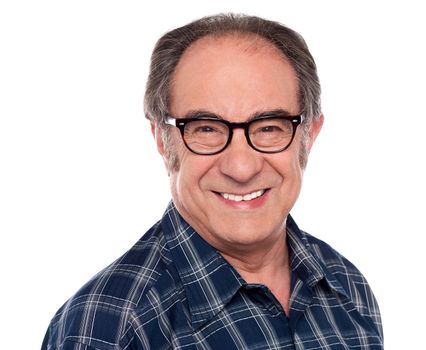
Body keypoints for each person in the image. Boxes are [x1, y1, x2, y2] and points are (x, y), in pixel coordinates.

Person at [42, 13, 383, 350]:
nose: (241, 167)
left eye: (269, 127)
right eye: (206, 129)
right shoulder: (109, 330)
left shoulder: (348, 288)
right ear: (162, 140)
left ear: (310, 135)